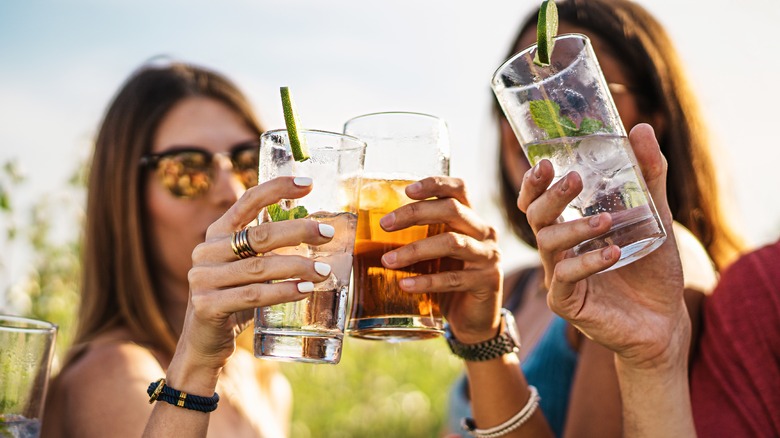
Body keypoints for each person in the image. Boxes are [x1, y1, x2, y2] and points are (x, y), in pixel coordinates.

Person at [446, 0, 745, 436]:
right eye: (522, 97)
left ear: (652, 117)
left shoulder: (652, 263)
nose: (544, 117)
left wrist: (485, 348)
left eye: (575, 93)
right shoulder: (513, 287)